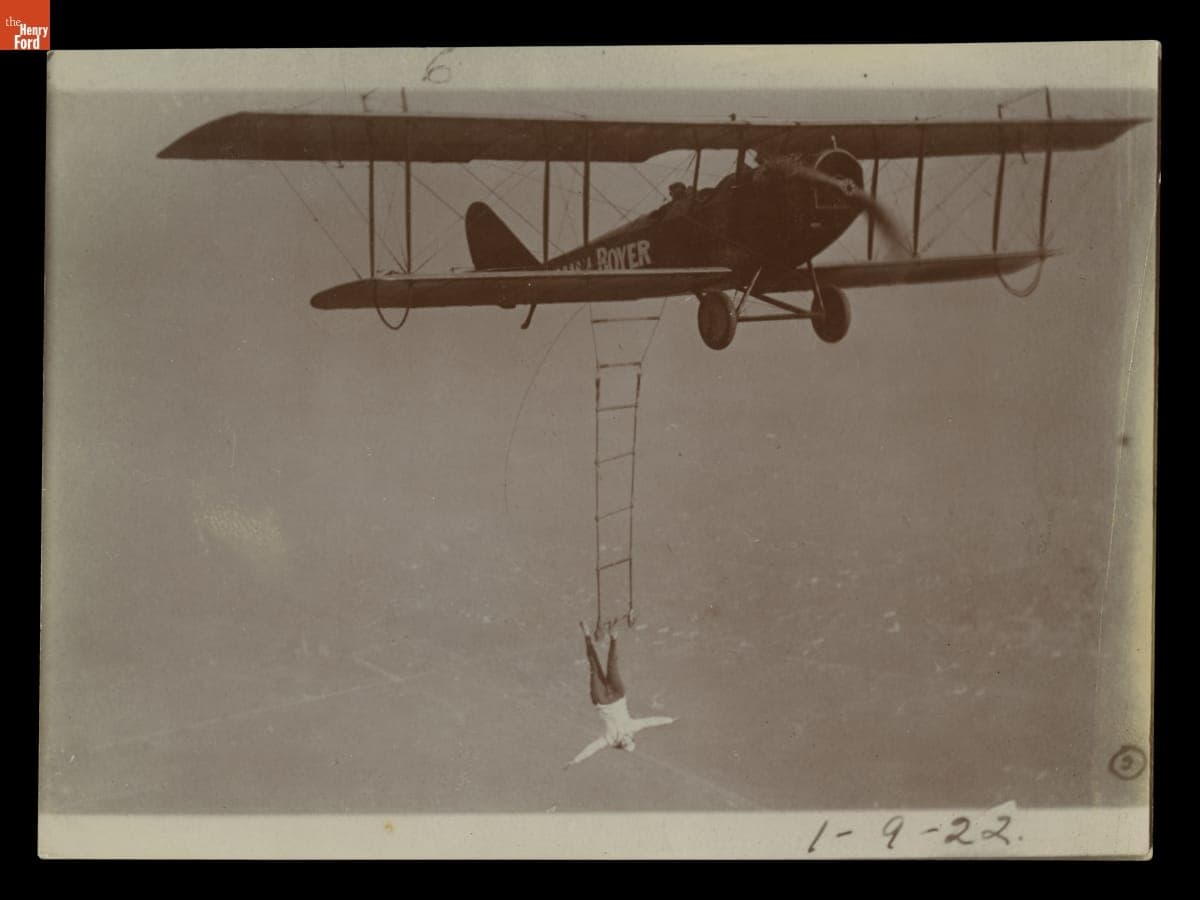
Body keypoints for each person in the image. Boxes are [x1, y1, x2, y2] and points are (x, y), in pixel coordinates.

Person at [565, 620, 676, 767]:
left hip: (602, 700)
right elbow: (651, 721)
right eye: (628, 742)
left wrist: (576, 760)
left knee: (594, 666)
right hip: (618, 695)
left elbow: (594, 747)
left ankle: (586, 635)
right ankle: (613, 636)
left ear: (620, 746)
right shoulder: (633, 726)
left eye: (623, 745)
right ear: (632, 739)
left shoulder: (610, 739)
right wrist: (670, 720)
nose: (624, 742)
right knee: (613, 664)